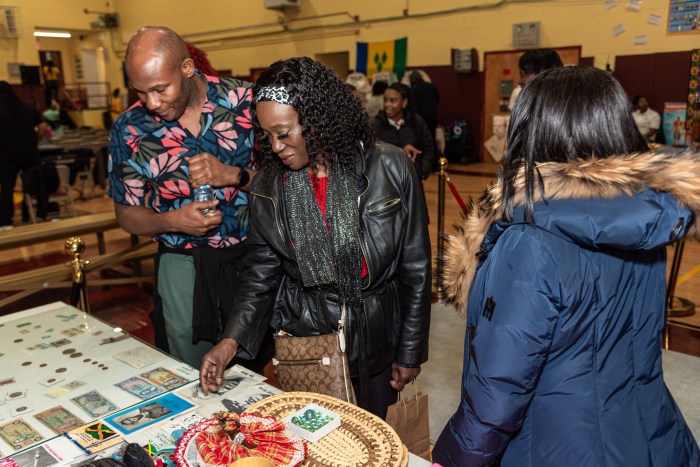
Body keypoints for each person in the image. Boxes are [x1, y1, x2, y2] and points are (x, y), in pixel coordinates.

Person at [433, 66, 700, 466]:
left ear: (533, 130)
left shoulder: (530, 240)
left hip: (553, 446)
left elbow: (497, 395)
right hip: (645, 434)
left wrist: (451, 459)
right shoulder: (642, 218)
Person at [199, 57, 431, 420]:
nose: (274, 147)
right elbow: (259, 276)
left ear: (317, 121)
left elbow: (415, 268)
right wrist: (229, 342)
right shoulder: (268, 187)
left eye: (283, 132)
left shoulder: (391, 167)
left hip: (376, 339)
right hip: (308, 344)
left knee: (372, 443)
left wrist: (410, 350)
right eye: (267, 136)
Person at [108, 26, 263, 370]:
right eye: (141, 91)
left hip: (253, 263)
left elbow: (289, 184)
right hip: (181, 266)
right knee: (190, 370)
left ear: (188, 68)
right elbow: (125, 213)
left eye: (160, 89)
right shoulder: (130, 129)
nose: (152, 103)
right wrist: (171, 221)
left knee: (255, 366)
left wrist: (233, 175)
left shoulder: (246, 103)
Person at [0, 81, 57, 228]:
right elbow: (43, 126)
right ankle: (41, 214)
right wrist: (35, 140)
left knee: (7, 188)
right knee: (37, 183)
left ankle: (6, 221)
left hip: (7, 156)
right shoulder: (27, 107)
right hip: (29, 153)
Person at [373, 82, 435, 181]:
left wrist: (422, 171)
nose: (387, 104)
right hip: (385, 185)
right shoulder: (375, 124)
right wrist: (401, 152)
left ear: (404, 102)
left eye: (393, 101)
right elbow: (370, 153)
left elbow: (428, 148)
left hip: (412, 182)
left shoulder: (416, 122)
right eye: (385, 100)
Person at [408, 70, 439, 145]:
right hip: (432, 117)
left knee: (421, 141)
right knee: (432, 138)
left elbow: (411, 105)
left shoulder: (413, 89)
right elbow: (437, 99)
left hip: (419, 118)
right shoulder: (431, 86)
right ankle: (433, 155)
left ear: (412, 80)